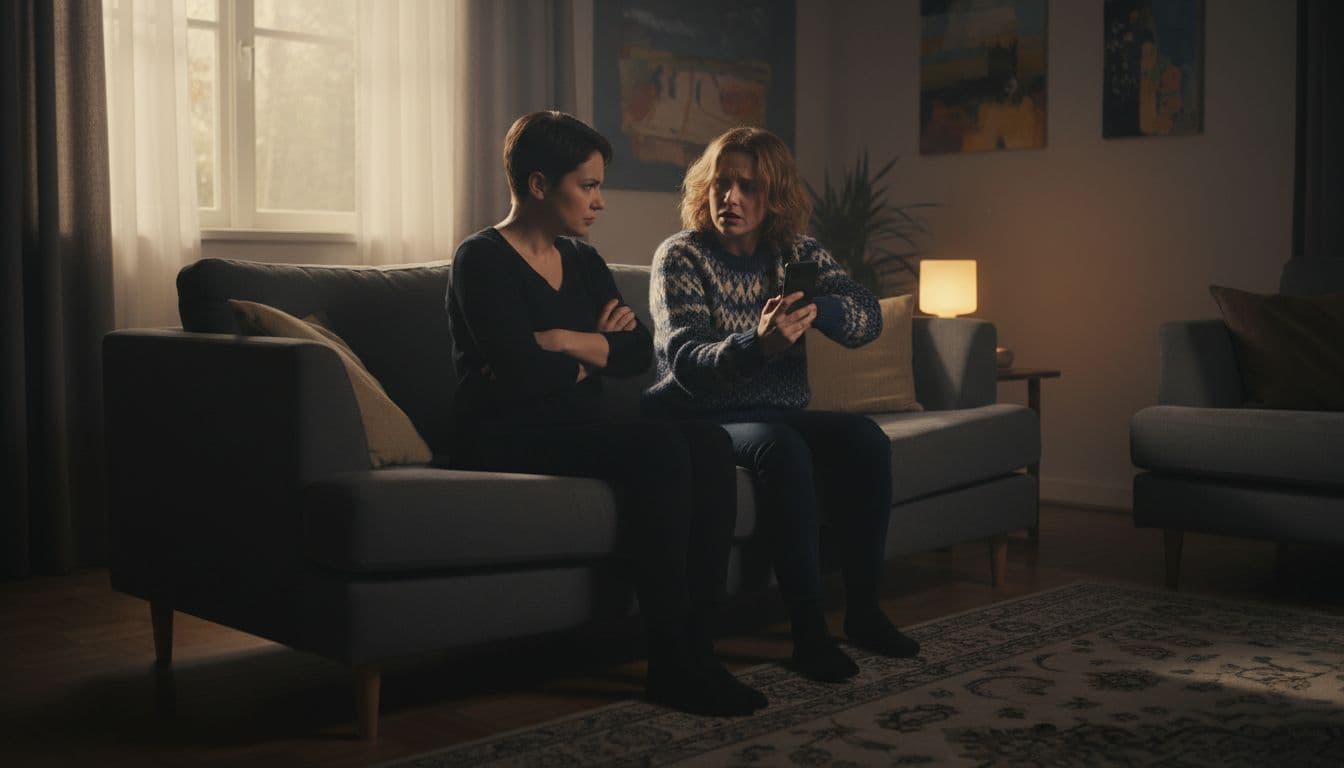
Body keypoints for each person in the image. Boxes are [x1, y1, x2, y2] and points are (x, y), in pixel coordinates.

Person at [446, 111, 766, 716]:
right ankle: (671, 664)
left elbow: (637, 352)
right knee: (662, 448)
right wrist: (594, 348)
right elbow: (518, 374)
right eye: (588, 186)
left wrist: (564, 342)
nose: (600, 201)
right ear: (540, 186)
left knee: (708, 443)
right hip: (501, 433)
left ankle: (699, 649)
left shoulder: (585, 261)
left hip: (574, 426)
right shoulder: (480, 259)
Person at [644, 126, 920, 683]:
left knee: (865, 438)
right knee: (783, 448)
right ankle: (809, 634)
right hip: (701, 416)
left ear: (775, 196)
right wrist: (758, 345)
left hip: (775, 410)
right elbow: (687, 360)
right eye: (723, 184)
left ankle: (864, 613)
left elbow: (865, 316)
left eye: (749, 186)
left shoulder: (796, 253)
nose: (731, 199)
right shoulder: (680, 255)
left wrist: (819, 309)